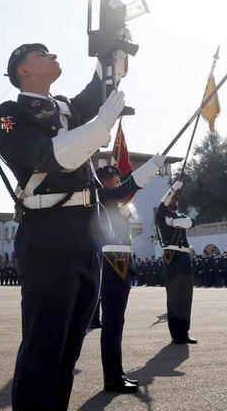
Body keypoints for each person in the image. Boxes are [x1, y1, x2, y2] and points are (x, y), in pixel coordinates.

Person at [0, 42, 157, 411]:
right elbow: (48, 157)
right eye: (41, 54)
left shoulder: (66, 107)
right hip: (47, 236)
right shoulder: (11, 113)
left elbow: (99, 89)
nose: (53, 57)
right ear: (23, 70)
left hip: (84, 238)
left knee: (69, 348)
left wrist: (110, 50)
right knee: (43, 346)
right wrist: (99, 126)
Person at [96, 162, 156, 394]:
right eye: (116, 180)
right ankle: (112, 377)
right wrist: (152, 165)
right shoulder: (101, 195)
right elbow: (124, 190)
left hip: (121, 266)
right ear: (105, 182)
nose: (119, 183)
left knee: (116, 322)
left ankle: (116, 372)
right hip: (113, 267)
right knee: (112, 322)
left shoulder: (113, 204)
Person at [156, 181, 197, 345]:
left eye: (175, 198)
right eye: (171, 198)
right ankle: (176, 334)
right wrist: (172, 188)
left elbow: (191, 223)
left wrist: (175, 222)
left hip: (185, 256)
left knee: (186, 296)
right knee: (174, 296)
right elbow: (162, 205)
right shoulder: (161, 215)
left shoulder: (179, 216)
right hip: (171, 256)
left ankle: (184, 331)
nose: (173, 200)